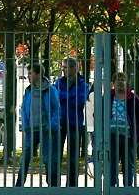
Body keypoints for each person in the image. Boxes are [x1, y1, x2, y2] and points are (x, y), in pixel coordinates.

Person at [15, 62, 60, 187]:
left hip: (46, 129)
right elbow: (24, 108)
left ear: (38, 74)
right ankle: (19, 185)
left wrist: (51, 126)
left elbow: (56, 109)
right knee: (25, 157)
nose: (28, 76)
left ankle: (53, 185)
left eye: (30, 73)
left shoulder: (50, 90)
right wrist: (26, 124)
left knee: (48, 158)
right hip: (31, 130)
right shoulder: (29, 90)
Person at [56, 58, 90, 187]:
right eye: (63, 67)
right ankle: (55, 185)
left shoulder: (83, 83)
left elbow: (80, 101)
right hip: (60, 122)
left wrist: (63, 96)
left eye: (65, 67)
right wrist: (71, 95)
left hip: (75, 123)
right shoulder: (59, 82)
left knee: (73, 157)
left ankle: (72, 186)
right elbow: (55, 96)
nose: (63, 70)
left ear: (73, 68)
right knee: (56, 155)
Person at [109, 72, 139, 187]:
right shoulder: (108, 98)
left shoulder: (133, 98)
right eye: (118, 80)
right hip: (112, 137)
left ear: (127, 83)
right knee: (112, 164)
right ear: (113, 83)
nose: (120, 82)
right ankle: (112, 188)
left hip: (129, 138)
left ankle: (128, 188)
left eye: (123, 79)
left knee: (128, 165)